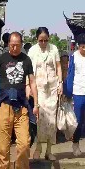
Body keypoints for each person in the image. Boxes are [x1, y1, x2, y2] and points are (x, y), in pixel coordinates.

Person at [0, 32, 38, 169]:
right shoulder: (2, 59)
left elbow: (32, 82)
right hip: (5, 106)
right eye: (12, 45)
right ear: (8, 44)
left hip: (21, 108)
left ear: (21, 44)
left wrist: (36, 104)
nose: (14, 48)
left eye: (17, 45)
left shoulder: (26, 60)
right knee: (3, 148)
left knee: (24, 145)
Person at [26, 27, 62, 161]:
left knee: (52, 119)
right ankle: (38, 148)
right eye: (41, 40)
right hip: (38, 88)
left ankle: (49, 150)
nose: (43, 43)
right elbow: (28, 70)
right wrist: (28, 86)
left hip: (52, 87)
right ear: (37, 39)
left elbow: (58, 67)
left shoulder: (54, 49)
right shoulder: (32, 51)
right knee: (40, 118)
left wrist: (60, 83)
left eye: (45, 40)